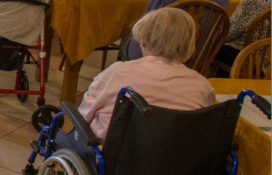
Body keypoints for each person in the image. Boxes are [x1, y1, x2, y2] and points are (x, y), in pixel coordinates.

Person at [78, 8, 215, 141]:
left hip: (117, 157)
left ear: (143, 42)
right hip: (174, 159)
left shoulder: (118, 72)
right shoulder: (202, 85)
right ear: (189, 46)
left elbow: (86, 112)